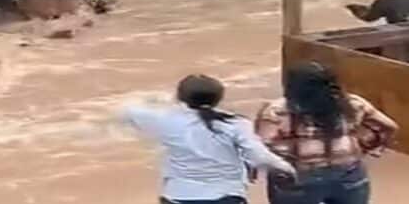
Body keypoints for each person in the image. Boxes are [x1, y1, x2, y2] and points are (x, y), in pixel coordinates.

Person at [122, 74, 296, 204]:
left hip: (179, 196)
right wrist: (285, 167)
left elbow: (128, 111)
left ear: (181, 97)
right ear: (218, 98)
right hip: (226, 196)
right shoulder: (235, 123)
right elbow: (258, 155)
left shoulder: (166, 120)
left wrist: (164, 102)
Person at [256, 61, 398, 204]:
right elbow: (388, 127)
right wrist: (364, 147)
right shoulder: (353, 104)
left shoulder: (276, 111)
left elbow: (260, 148)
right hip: (348, 174)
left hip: (296, 178)